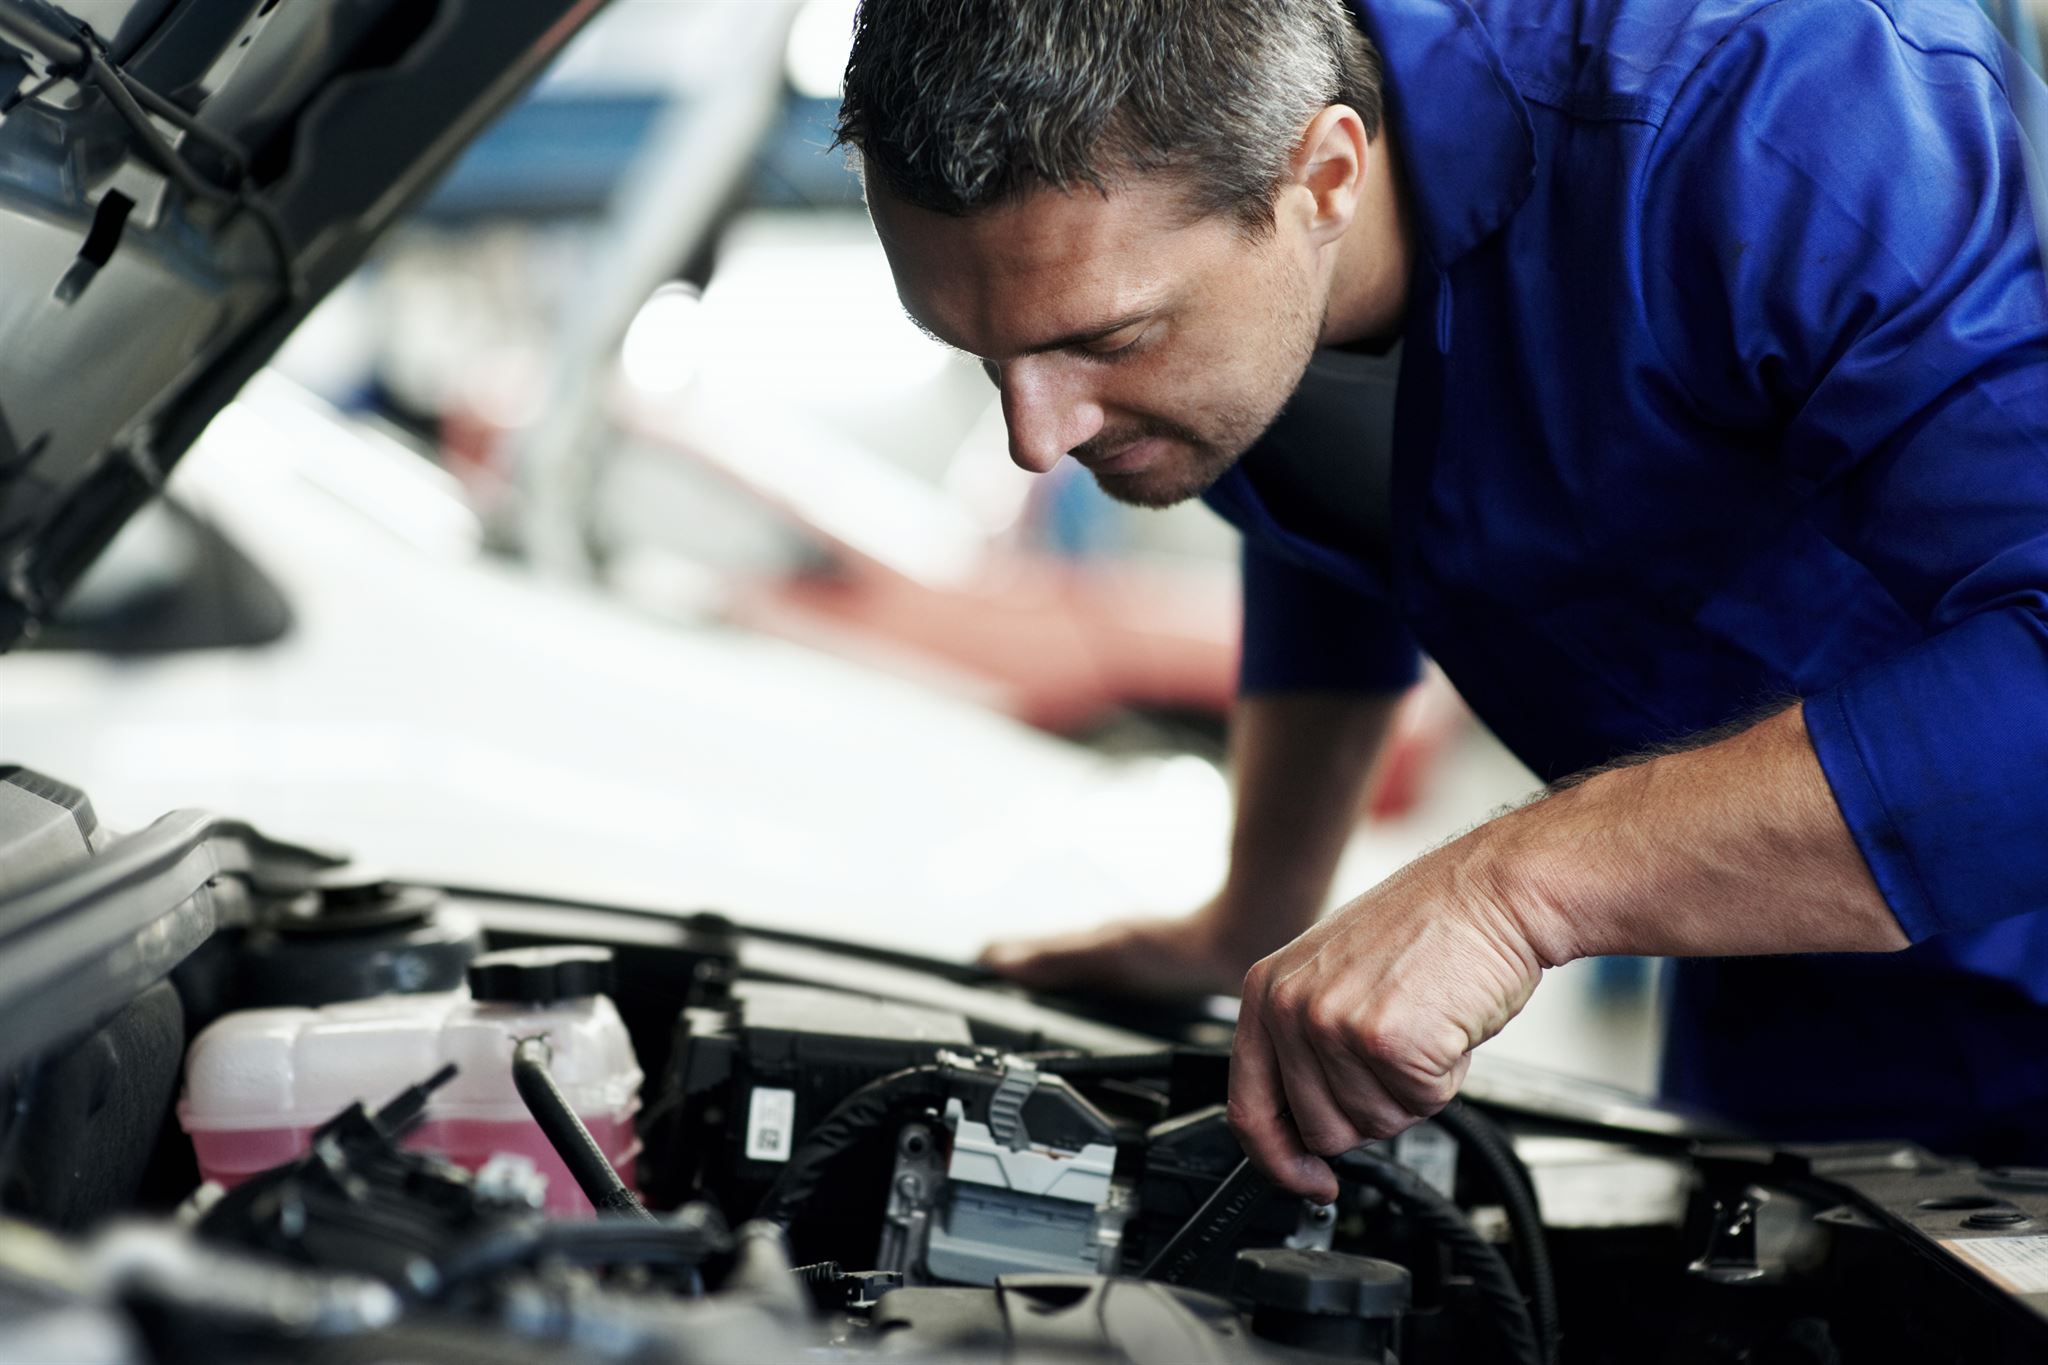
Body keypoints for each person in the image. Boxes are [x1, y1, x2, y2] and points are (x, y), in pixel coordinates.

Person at [833, 0, 2048, 1198]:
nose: (1035, 438)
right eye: (982, 353)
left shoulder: (1778, 113)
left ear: (1324, 176)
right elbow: (1341, 522)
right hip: (1778, 961)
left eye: (1105, 341)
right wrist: (1255, 915)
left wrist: (1506, 893)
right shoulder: (1231, 269)